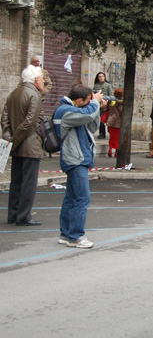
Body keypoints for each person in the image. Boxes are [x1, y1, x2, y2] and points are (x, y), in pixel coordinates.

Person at [54, 85, 106, 248]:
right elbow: (86, 115)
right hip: (75, 160)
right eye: (88, 101)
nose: (89, 103)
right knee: (82, 198)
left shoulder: (75, 110)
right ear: (79, 100)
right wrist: (95, 104)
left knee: (71, 197)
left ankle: (66, 234)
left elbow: (91, 124)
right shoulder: (65, 111)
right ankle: (76, 236)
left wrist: (97, 108)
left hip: (78, 158)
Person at [1, 65, 45, 226]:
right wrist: (16, 140)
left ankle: (13, 213)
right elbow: (30, 122)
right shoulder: (34, 95)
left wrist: (10, 140)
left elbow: (4, 119)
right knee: (28, 182)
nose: (43, 81)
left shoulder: (14, 93)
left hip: (16, 144)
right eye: (41, 78)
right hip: (29, 144)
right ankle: (24, 215)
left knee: (16, 181)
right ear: (35, 80)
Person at [93, 72, 113, 139]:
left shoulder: (107, 85)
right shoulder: (96, 85)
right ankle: (101, 133)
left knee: (104, 119)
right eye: (99, 76)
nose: (101, 78)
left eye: (102, 76)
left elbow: (111, 95)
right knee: (99, 118)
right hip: (98, 104)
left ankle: (106, 133)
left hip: (105, 105)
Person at [106, 87, 124, 158]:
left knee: (112, 137)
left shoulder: (111, 101)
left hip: (110, 121)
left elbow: (106, 108)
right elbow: (121, 112)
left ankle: (110, 149)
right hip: (118, 122)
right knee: (118, 138)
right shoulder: (122, 103)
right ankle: (116, 152)